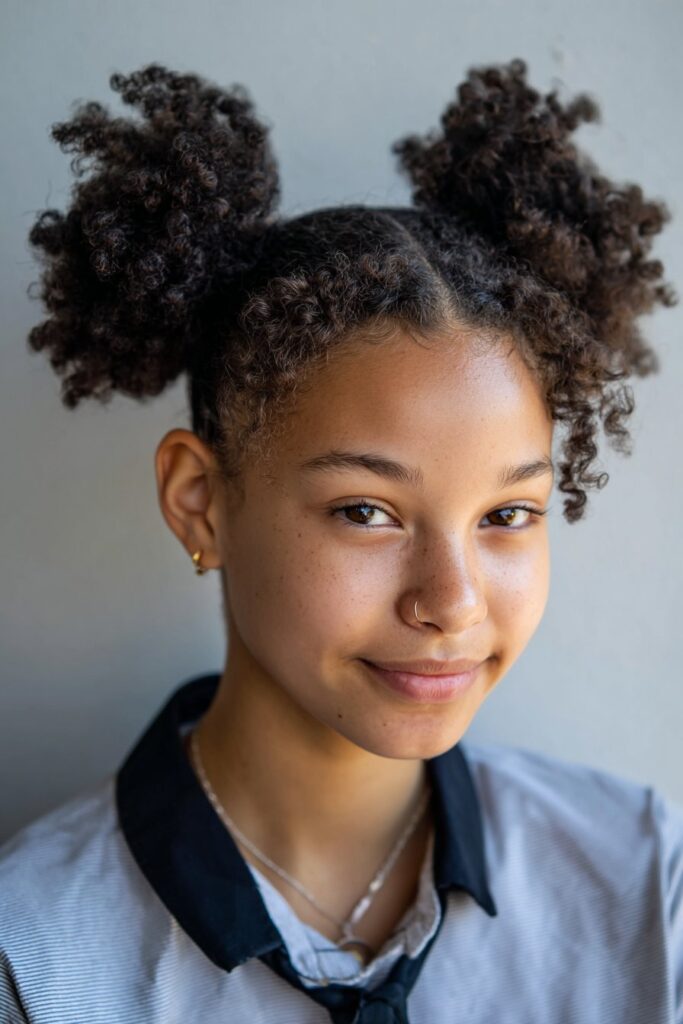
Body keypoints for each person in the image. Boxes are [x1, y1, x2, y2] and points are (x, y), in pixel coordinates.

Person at [0, 57, 681, 1024]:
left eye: (507, 516)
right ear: (200, 501)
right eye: (367, 511)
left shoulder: (643, 879)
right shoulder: (32, 956)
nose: (450, 602)